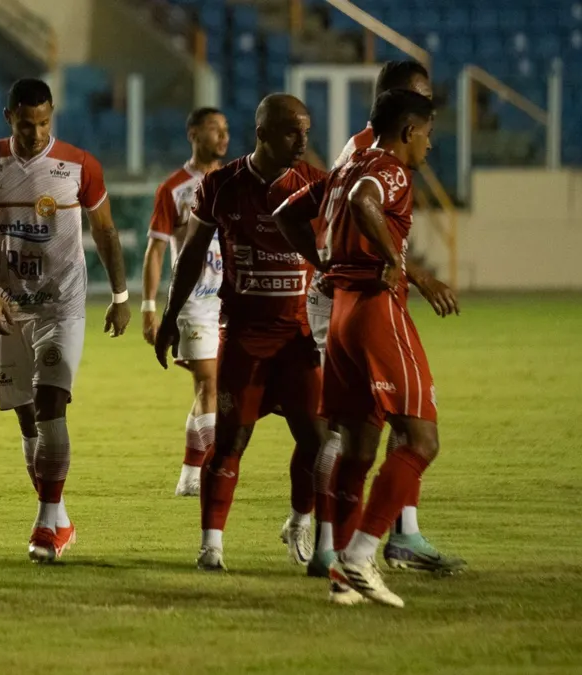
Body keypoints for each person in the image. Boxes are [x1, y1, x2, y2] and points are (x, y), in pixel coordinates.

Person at [274, 89, 452, 607]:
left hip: (341, 311)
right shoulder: (389, 169)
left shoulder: (346, 167)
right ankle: (360, 554)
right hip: (375, 309)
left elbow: (287, 214)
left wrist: (323, 261)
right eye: (428, 133)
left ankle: (340, 579)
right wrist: (408, 267)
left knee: (357, 448)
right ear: (406, 132)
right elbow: (364, 202)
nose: (429, 145)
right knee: (420, 441)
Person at [154, 94, 325, 571]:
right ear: (264, 134)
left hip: (299, 338)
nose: (303, 142)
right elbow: (189, 255)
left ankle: (298, 522)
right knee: (230, 441)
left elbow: (331, 254)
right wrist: (169, 317)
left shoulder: (314, 184)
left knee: (316, 440)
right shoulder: (222, 185)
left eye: (306, 132)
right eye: (293, 132)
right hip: (245, 336)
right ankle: (211, 545)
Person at [0, 78, 131, 563]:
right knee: (26, 419)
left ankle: (44, 525)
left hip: (62, 303)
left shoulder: (80, 165)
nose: (36, 133)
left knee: (50, 405)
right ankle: (59, 517)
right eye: (26, 124)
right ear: (8, 117)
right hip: (11, 306)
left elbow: (104, 230)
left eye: (44, 123)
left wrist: (121, 295)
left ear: (52, 114)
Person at [141, 107, 229, 497]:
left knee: (213, 390)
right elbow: (156, 250)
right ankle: (213, 473)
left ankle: (189, 476)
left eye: (226, 130)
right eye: (213, 129)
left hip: (230, 301)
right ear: (193, 133)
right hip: (193, 301)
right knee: (207, 383)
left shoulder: (233, 181)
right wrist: (148, 308)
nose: (222, 137)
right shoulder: (174, 188)